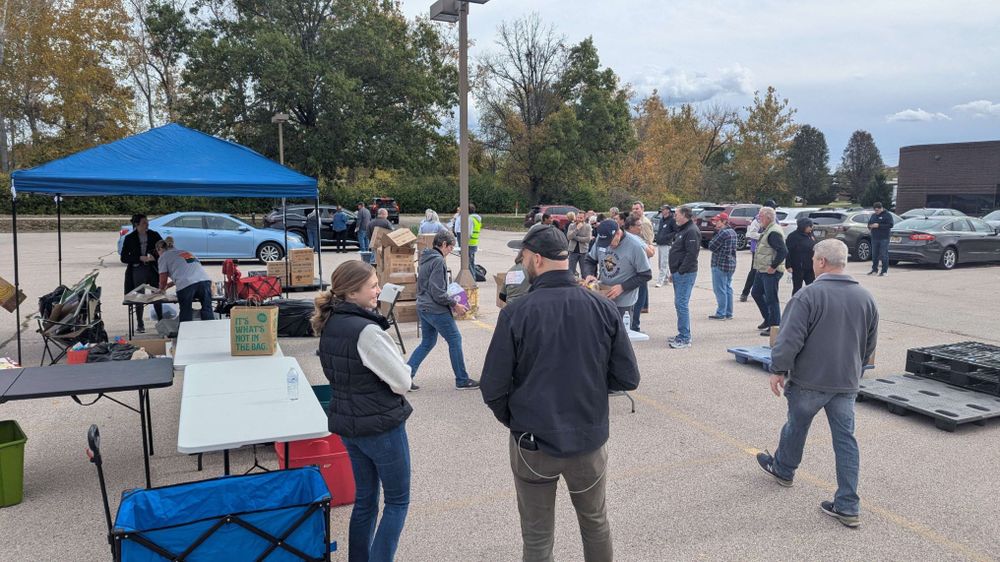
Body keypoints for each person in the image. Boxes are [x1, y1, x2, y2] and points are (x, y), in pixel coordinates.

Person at [480, 224, 641, 562]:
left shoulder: (516, 312)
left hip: (533, 442)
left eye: (524, 257)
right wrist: (592, 391)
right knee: (595, 523)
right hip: (587, 439)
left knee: (537, 537)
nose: (522, 262)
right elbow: (627, 377)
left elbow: (493, 386)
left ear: (537, 259)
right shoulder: (602, 306)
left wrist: (516, 418)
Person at [755, 239, 878, 529]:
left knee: (797, 426)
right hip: (845, 382)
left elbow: (789, 339)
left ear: (822, 262)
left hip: (810, 380)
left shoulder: (807, 296)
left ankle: (784, 469)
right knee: (846, 441)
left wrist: (778, 369)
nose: (812, 262)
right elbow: (869, 343)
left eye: (813, 258)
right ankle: (848, 505)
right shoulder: (866, 297)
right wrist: (855, 369)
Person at [312, 260, 413, 560]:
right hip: (380, 427)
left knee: (366, 501)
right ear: (352, 293)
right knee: (397, 502)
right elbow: (403, 381)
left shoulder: (330, 323)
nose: (379, 290)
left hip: (349, 426)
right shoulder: (366, 330)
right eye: (372, 285)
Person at [407, 230, 480, 391]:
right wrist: (455, 304)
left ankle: (405, 377)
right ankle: (462, 380)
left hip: (423, 306)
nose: (451, 251)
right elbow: (438, 291)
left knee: (427, 342)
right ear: (444, 244)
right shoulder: (438, 261)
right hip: (435, 309)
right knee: (455, 340)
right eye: (450, 247)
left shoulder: (425, 257)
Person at [582, 219, 652, 327]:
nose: (608, 245)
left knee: (621, 337)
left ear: (618, 233)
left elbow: (645, 274)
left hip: (624, 302)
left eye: (611, 242)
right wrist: (589, 274)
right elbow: (590, 260)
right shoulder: (601, 239)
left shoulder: (635, 246)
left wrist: (623, 287)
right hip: (603, 297)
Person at [120, 214, 163, 333]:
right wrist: (139, 258)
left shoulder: (154, 235)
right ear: (136, 224)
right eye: (144, 223)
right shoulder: (129, 238)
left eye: (147, 222)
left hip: (153, 268)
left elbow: (163, 249)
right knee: (139, 296)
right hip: (138, 268)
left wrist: (154, 257)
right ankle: (140, 323)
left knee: (157, 293)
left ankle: (161, 321)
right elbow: (123, 258)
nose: (147, 225)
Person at [155, 237, 214, 322]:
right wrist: (168, 285)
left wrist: (161, 289)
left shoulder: (164, 256)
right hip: (204, 281)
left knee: (186, 311)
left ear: (159, 249)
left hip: (186, 285)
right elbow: (187, 272)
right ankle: (210, 332)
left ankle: (185, 333)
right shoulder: (185, 252)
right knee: (207, 308)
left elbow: (163, 277)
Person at [751, 207, 788, 336]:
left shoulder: (774, 232)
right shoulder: (768, 229)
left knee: (772, 299)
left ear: (768, 217)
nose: (758, 219)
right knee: (756, 293)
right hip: (762, 270)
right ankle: (768, 319)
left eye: (760, 216)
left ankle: (775, 326)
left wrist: (773, 266)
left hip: (771, 271)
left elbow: (783, 251)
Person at [667, 206, 700, 349]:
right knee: (679, 303)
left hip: (685, 273)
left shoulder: (691, 231)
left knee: (681, 304)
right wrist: (673, 271)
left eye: (677, 214)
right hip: (679, 272)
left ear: (685, 215)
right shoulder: (684, 229)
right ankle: (682, 334)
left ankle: (685, 338)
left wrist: (680, 271)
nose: (675, 217)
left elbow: (691, 254)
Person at [625, 215, 655, 332]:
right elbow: (650, 253)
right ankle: (634, 326)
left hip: (634, 273)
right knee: (637, 301)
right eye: (638, 226)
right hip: (638, 273)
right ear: (631, 227)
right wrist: (651, 246)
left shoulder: (628, 237)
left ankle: (631, 325)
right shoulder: (635, 239)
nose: (640, 228)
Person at [708, 212, 737, 320]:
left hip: (720, 264)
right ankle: (728, 312)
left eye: (718, 221)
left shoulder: (723, 233)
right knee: (727, 288)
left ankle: (721, 313)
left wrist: (716, 234)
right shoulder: (733, 232)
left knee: (720, 289)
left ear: (724, 222)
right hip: (730, 264)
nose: (715, 223)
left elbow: (711, 246)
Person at [786, 217, 817, 295]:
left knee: (812, 287)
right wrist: (788, 265)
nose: (811, 228)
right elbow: (788, 251)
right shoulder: (793, 237)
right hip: (798, 267)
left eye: (811, 226)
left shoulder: (810, 235)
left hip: (810, 267)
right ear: (803, 226)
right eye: (809, 226)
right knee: (797, 288)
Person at [740, 212, 762, 302]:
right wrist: (765, 235)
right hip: (757, 249)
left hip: (768, 250)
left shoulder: (774, 219)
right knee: (754, 271)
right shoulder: (757, 220)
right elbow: (751, 234)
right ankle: (745, 293)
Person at [867, 202, 894, 277]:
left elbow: (890, 225)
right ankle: (874, 270)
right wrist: (870, 226)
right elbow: (868, 224)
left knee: (883, 254)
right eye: (875, 210)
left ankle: (884, 271)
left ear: (881, 208)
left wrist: (879, 225)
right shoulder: (873, 215)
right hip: (875, 237)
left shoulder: (887, 215)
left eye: (878, 210)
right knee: (874, 254)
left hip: (884, 238)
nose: (876, 212)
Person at [654, 205, 677, 288]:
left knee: (664, 263)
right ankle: (666, 279)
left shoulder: (672, 220)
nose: (662, 211)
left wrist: (667, 237)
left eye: (663, 210)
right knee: (660, 263)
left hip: (666, 244)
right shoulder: (661, 220)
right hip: (660, 243)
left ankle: (660, 281)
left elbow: (675, 231)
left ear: (668, 210)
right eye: (661, 210)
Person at [566, 211, 592, 278]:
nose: (579, 219)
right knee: (571, 272)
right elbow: (569, 237)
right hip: (572, 251)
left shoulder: (588, 226)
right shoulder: (571, 226)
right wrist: (577, 229)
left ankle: (584, 287)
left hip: (583, 251)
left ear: (584, 218)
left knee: (584, 272)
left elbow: (588, 239)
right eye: (578, 217)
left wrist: (576, 238)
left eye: (581, 218)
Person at [468, 204, 483, 280]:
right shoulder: (477, 219)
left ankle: (472, 277)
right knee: (471, 261)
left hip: (469, 242)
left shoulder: (470, 219)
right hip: (474, 242)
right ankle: (473, 276)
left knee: (469, 262)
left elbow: (469, 232)